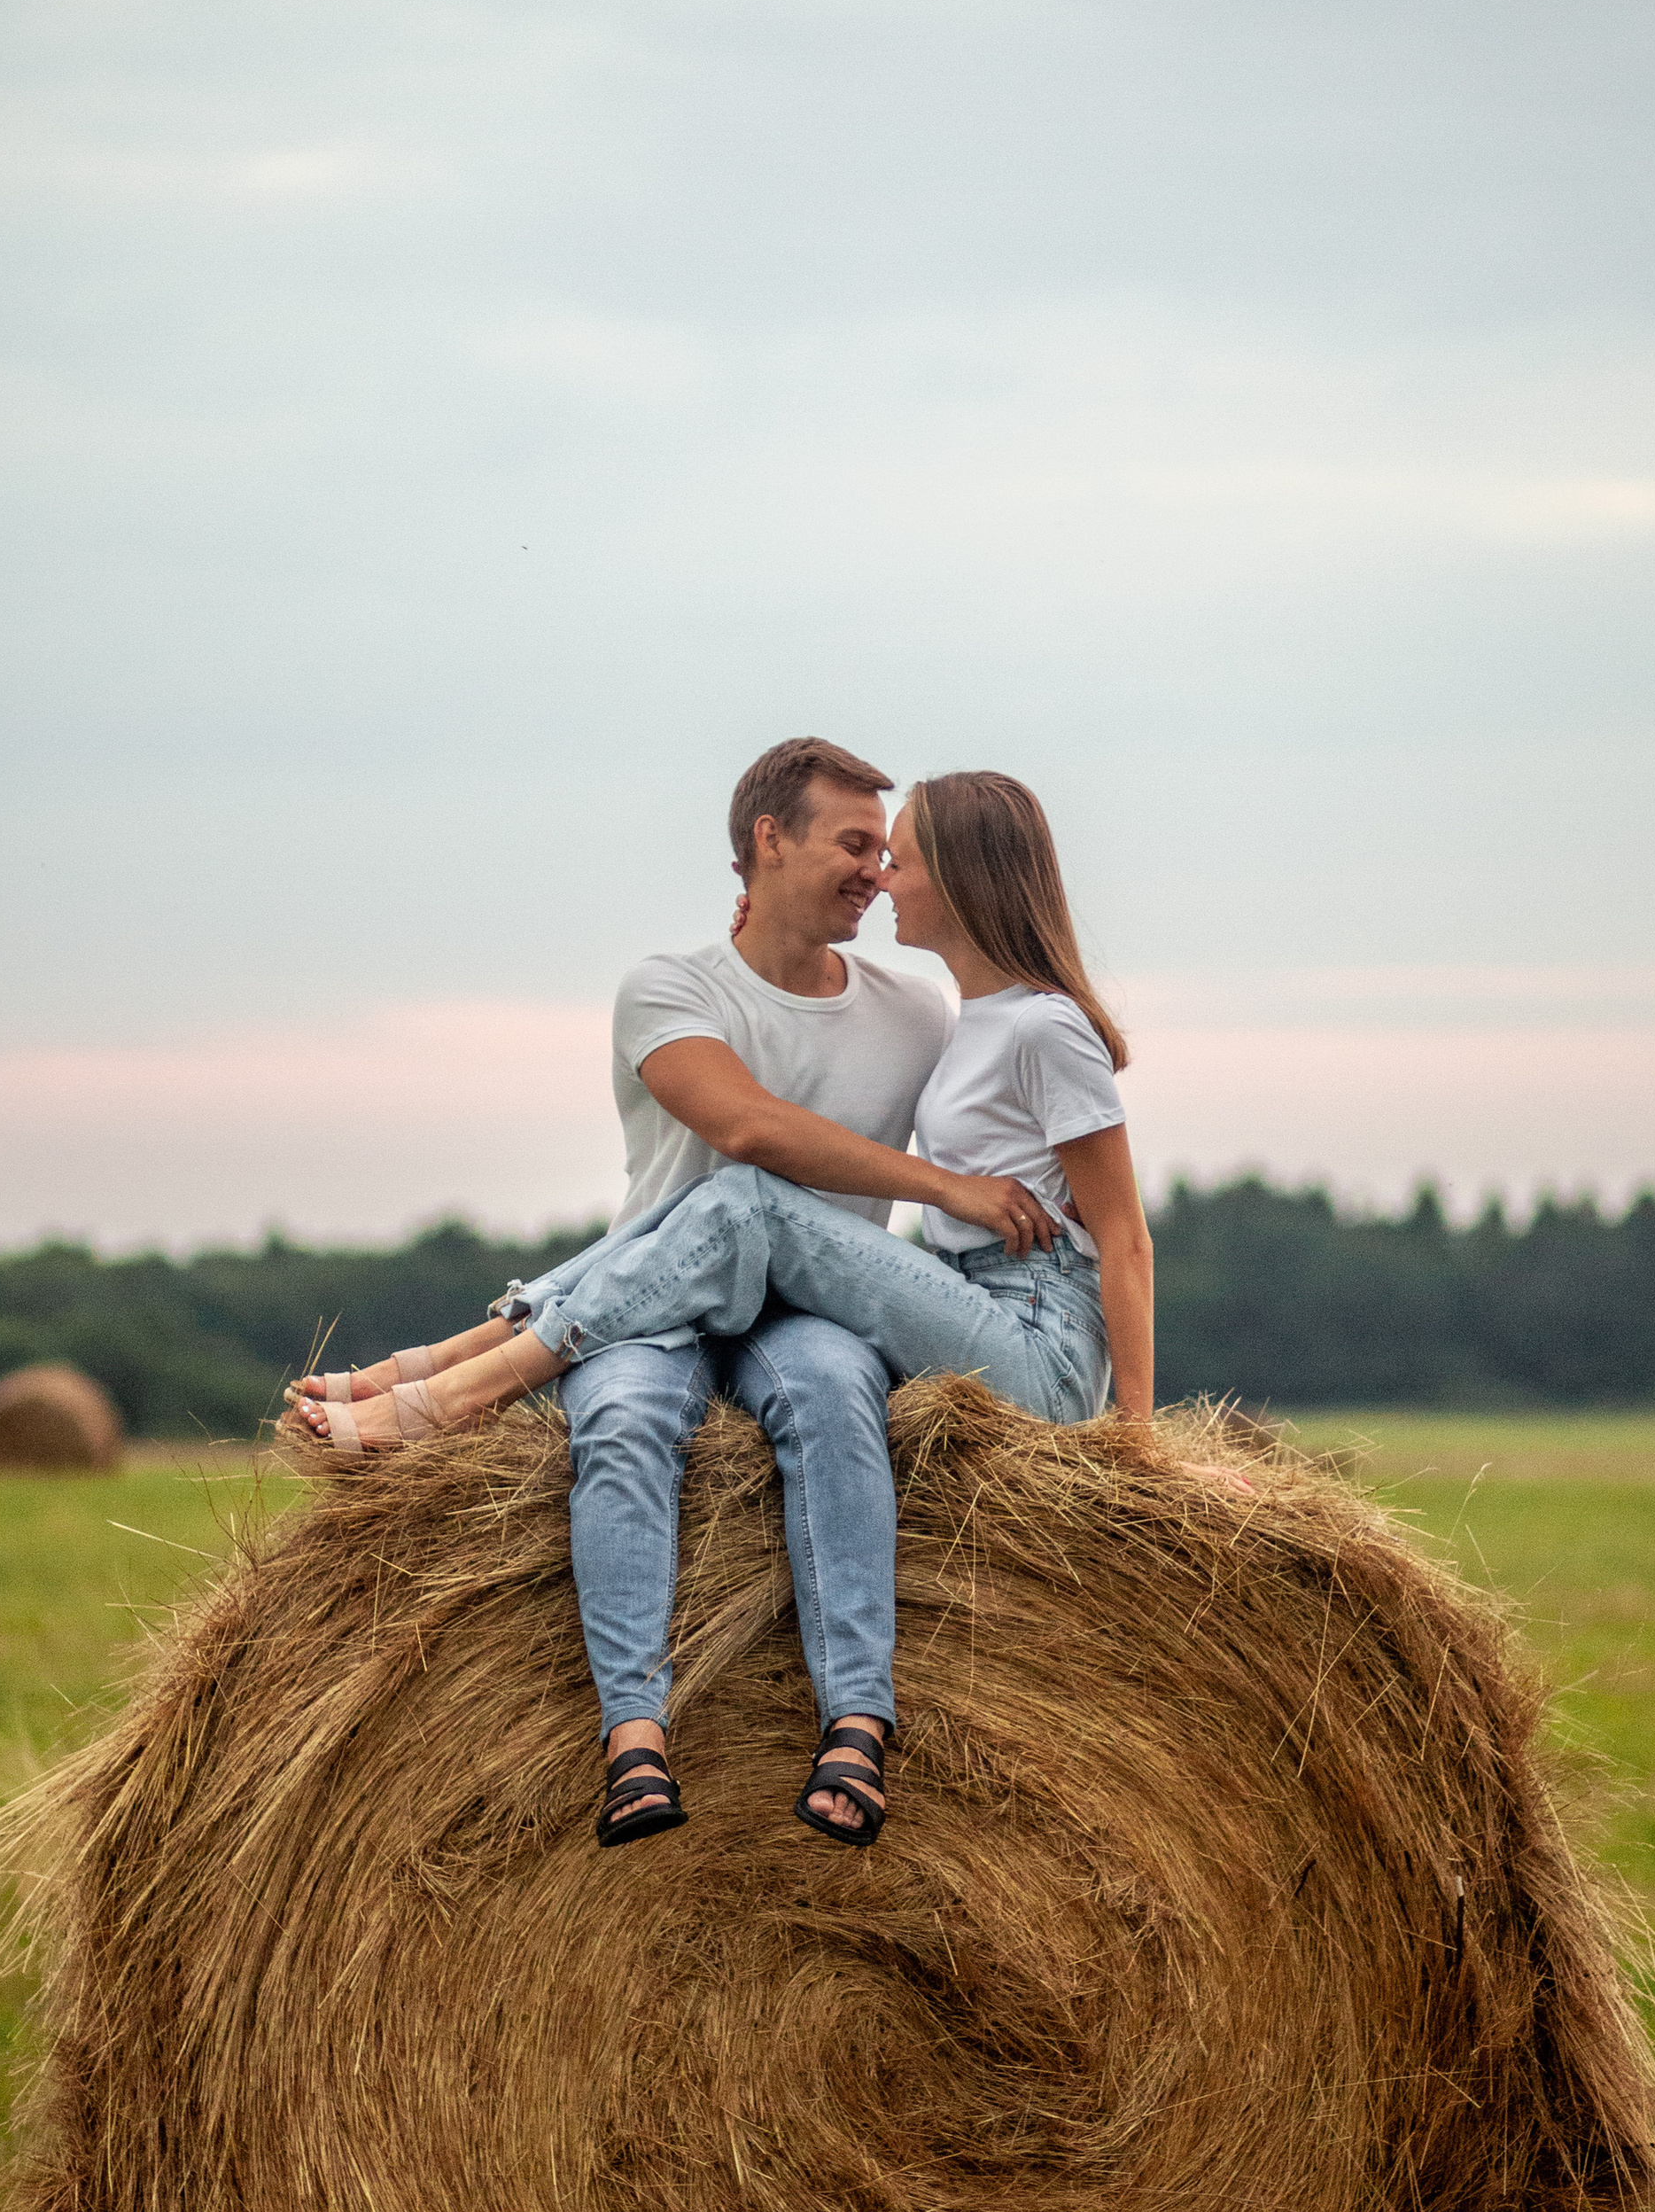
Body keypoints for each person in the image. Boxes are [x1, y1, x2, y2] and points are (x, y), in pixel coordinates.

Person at [290, 762, 1154, 1852]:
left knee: (835, 1389)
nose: (879, 874)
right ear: (768, 843)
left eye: (895, 853)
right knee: (633, 1402)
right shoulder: (672, 986)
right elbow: (740, 1135)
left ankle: (855, 1725)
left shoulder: (946, 1016)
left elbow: (1111, 1220)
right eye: (857, 846)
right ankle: (633, 1740)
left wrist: (1133, 1440)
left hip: (888, 1320)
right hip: (650, 1308)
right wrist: (942, 1186)